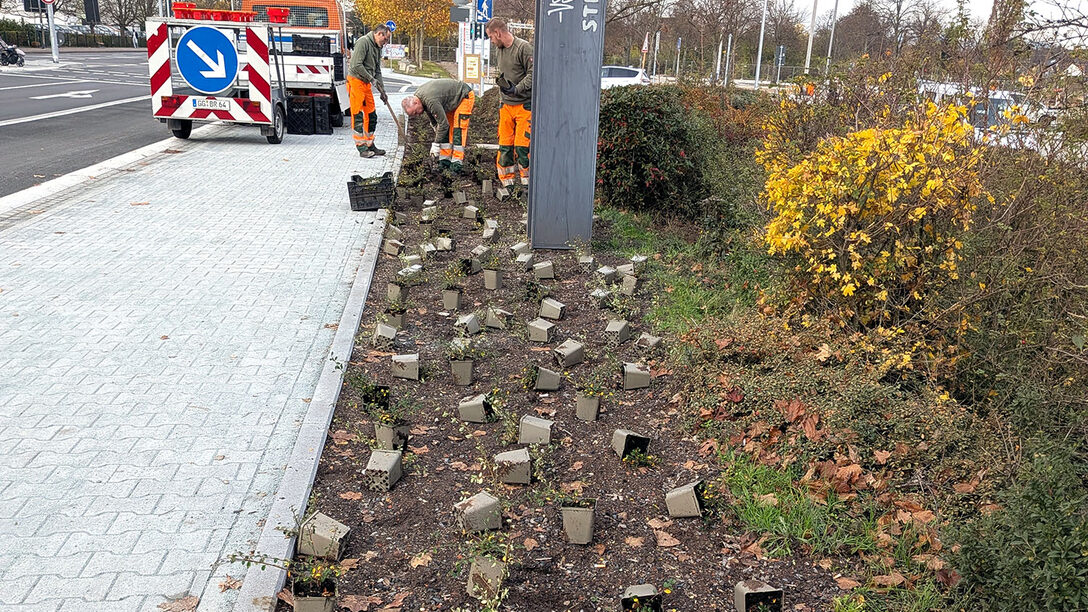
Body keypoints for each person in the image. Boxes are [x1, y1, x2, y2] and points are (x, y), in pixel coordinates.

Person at [484, 18, 533, 187]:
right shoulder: (500, 50)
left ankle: (527, 185)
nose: (491, 41)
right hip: (506, 105)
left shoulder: (523, 48)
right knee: (504, 145)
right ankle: (507, 184)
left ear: (498, 33)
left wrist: (517, 89)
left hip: (524, 105)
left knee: (522, 147)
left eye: (491, 37)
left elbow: (533, 74)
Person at [401, 79, 475, 173]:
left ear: (416, 103)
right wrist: (435, 128)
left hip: (463, 96)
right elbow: (434, 118)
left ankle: (457, 163)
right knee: (445, 131)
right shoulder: (420, 98)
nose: (417, 115)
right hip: (451, 101)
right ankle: (445, 161)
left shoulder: (430, 100)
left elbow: (443, 125)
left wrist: (436, 144)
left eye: (415, 112)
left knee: (458, 130)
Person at [347, 24, 390, 158]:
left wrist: (382, 90)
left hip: (365, 84)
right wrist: (371, 79)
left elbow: (377, 70)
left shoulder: (378, 48)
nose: (386, 43)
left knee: (371, 115)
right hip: (356, 81)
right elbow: (356, 65)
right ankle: (361, 147)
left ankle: (370, 144)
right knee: (358, 114)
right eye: (385, 39)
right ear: (379, 34)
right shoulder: (363, 42)